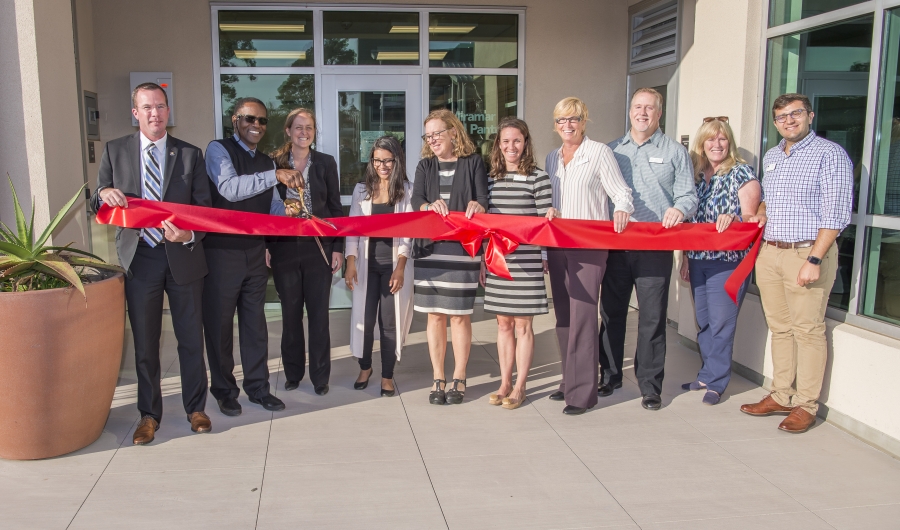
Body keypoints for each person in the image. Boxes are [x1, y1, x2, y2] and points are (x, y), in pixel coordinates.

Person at [91, 82, 212, 444]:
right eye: (147, 108)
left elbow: (203, 211)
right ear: (135, 113)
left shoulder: (190, 155)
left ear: (168, 110)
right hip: (139, 259)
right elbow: (96, 203)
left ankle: (196, 408)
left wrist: (188, 236)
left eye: (160, 106)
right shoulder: (115, 151)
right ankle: (149, 415)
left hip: (183, 258)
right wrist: (103, 194)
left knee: (191, 339)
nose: (154, 113)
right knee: (145, 343)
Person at [740, 93, 852, 433]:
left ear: (810, 115)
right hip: (771, 253)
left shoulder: (830, 155)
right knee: (781, 328)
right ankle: (781, 395)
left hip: (806, 252)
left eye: (795, 114)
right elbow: (769, 203)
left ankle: (806, 405)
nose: (789, 121)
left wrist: (815, 259)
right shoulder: (774, 156)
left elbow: (836, 212)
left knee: (808, 330)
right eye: (782, 117)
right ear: (775, 123)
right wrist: (759, 212)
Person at [203, 97, 304, 416]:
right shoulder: (217, 149)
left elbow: (272, 207)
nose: (257, 125)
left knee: (254, 326)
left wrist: (297, 211)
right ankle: (223, 391)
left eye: (262, 121)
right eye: (250, 119)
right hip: (220, 253)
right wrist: (275, 176)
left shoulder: (266, 163)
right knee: (219, 326)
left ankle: (258, 388)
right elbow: (230, 189)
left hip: (254, 254)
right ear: (235, 120)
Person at [602, 88, 698, 411]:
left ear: (659, 114)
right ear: (629, 111)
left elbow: (688, 196)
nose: (642, 113)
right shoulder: (613, 150)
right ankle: (610, 374)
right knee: (612, 314)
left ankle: (650, 385)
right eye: (637, 107)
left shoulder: (674, 152)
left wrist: (680, 210)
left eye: (649, 108)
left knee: (653, 318)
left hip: (655, 249)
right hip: (617, 246)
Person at [544, 97, 634, 415]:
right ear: (555, 125)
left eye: (574, 119)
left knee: (583, 317)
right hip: (556, 246)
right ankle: (569, 380)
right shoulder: (552, 158)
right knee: (565, 318)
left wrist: (622, 209)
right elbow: (547, 205)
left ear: (584, 121)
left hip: (588, 248)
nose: (567, 125)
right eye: (561, 120)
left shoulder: (599, 153)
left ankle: (582, 393)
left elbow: (621, 192)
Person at [678, 117, 761, 405]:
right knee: (704, 321)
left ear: (730, 143)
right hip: (699, 259)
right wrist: (686, 258)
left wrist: (736, 218)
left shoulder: (741, 173)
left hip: (729, 262)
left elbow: (753, 219)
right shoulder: (697, 177)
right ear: (701, 144)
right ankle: (706, 374)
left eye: (722, 138)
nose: (717, 144)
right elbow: (691, 220)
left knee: (721, 322)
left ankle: (717, 382)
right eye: (710, 139)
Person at [411, 109, 489, 405]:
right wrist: (428, 206)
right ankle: (438, 378)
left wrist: (477, 206)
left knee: (459, 317)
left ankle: (459, 377)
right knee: (434, 316)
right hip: (430, 252)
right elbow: (416, 200)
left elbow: (483, 201)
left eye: (437, 133)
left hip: (462, 251)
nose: (431, 140)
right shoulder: (425, 166)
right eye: (428, 135)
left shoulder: (473, 163)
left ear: (453, 133)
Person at [267, 108, 344, 396]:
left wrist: (336, 247)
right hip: (284, 248)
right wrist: (266, 245)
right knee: (290, 315)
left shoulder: (325, 163)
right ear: (288, 130)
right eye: (298, 127)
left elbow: (336, 208)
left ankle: (320, 376)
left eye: (309, 127)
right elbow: (264, 207)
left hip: (319, 248)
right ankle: (293, 373)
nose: (304, 132)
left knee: (319, 315)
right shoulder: (273, 163)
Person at [481, 117, 552, 410]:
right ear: (498, 144)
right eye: (506, 141)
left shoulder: (539, 178)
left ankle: (520, 385)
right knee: (503, 324)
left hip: (526, 261)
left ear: (526, 143)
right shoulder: (489, 179)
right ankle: (505, 382)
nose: (511, 146)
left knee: (523, 325)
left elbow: (545, 224)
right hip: (498, 261)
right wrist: (484, 261)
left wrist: (545, 256)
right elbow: (484, 226)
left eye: (517, 141)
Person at [345, 136, 414, 397]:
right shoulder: (361, 190)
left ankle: (387, 375)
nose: (382, 165)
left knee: (388, 322)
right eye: (377, 160)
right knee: (363, 319)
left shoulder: (407, 190)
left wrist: (400, 267)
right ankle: (365, 368)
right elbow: (352, 229)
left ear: (396, 160)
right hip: (365, 265)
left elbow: (409, 232)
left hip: (393, 266)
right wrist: (351, 262)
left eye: (387, 160)